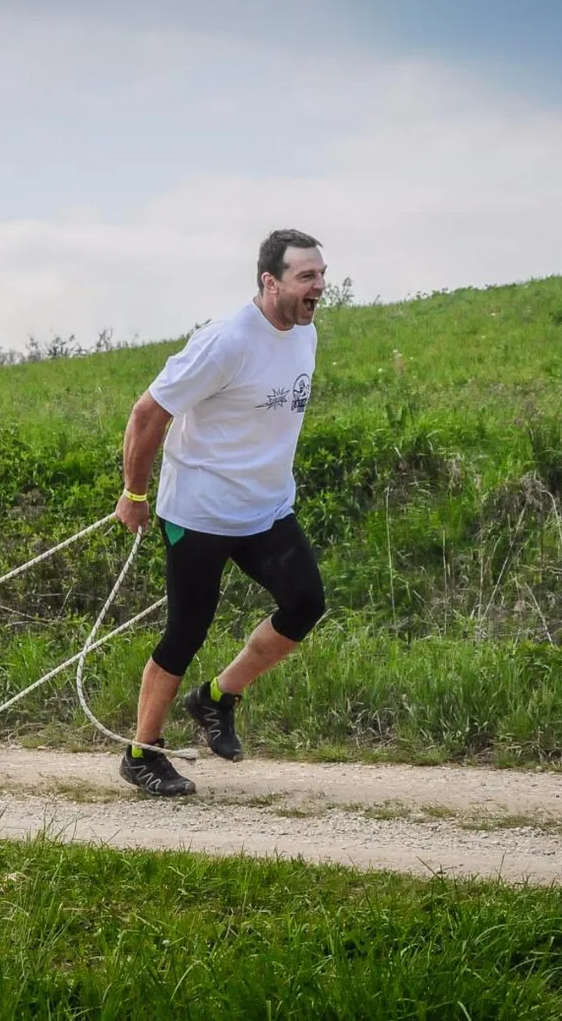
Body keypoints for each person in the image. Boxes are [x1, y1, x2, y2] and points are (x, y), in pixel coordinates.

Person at [113, 229, 329, 796]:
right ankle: (142, 752)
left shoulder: (305, 334)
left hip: (266, 509)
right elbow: (147, 413)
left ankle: (215, 698)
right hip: (201, 511)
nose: (319, 287)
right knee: (187, 629)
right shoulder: (227, 341)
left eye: (321, 275)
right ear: (270, 281)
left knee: (306, 603)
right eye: (306, 276)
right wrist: (134, 495)